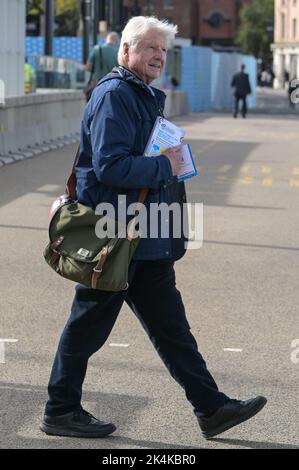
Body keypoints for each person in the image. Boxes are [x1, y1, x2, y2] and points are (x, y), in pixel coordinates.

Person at [40, 16, 267, 441]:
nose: (158, 56)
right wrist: (167, 165)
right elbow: (110, 165)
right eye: (149, 48)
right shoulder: (115, 95)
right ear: (125, 50)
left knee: (172, 329)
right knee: (87, 325)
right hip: (116, 236)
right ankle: (60, 409)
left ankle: (212, 408)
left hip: (143, 237)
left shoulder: (141, 94)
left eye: (163, 50)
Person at [84, 31, 119, 101]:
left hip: (97, 84)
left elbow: (88, 68)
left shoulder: (97, 49)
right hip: (113, 86)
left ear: (105, 39)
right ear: (117, 41)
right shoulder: (119, 52)